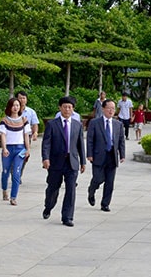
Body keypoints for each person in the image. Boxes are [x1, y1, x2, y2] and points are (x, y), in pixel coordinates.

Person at [41, 96, 86, 227]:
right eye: (65, 107)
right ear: (60, 108)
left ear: (73, 109)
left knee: (71, 189)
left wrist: (83, 161)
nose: (67, 109)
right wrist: (45, 158)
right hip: (55, 162)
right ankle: (48, 206)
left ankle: (67, 217)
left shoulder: (77, 125)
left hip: (72, 162)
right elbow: (46, 143)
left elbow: (80, 145)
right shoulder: (52, 124)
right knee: (53, 188)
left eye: (70, 107)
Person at [86, 99, 126, 212]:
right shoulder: (94, 122)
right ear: (103, 109)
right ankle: (92, 190)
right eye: (109, 108)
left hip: (112, 156)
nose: (111, 111)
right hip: (98, 155)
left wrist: (122, 154)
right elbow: (90, 140)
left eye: (113, 109)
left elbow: (121, 140)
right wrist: (89, 154)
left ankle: (105, 204)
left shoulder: (118, 124)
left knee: (109, 182)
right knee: (98, 178)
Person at [0, 98, 31, 205]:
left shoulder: (24, 120)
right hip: (8, 149)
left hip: (20, 149)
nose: (15, 108)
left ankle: (13, 197)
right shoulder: (4, 121)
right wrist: (4, 148)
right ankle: (4, 190)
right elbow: (3, 135)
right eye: (13, 105)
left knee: (16, 173)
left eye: (17, 105)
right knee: (5, 172)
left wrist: (28, 149)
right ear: (9, 107)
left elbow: (26, 135)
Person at [16, 90, 39, 182]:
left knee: (24, 156)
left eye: (24, 98)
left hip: (26, 138)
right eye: (20, 98)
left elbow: (35, 124)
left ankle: (18, 174)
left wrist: (35, 133)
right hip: (14, 138)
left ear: (26, 100)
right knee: (13, 157)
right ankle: (15, 173)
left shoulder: (31, 112)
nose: (22, 100)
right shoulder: (12, 110)